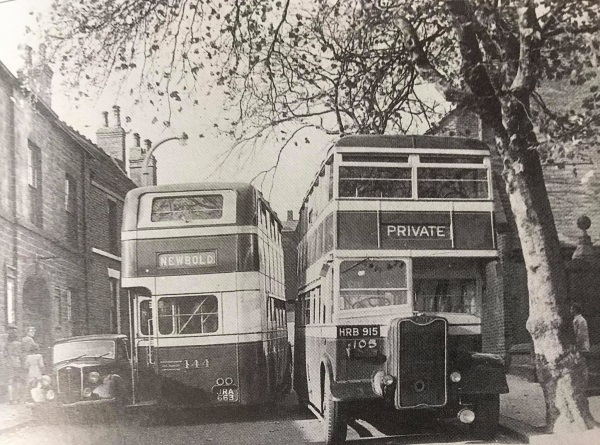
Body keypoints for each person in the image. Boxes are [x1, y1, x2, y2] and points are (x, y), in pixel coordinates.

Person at [3, 325, 23, 404]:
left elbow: (4, 355)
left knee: (10, 381)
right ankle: (17, 398)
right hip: (17, 363)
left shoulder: (7, 345)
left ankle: (11, 399)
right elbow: (21, 354)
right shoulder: (19, 344)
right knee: (18, 381)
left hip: (9, 364)